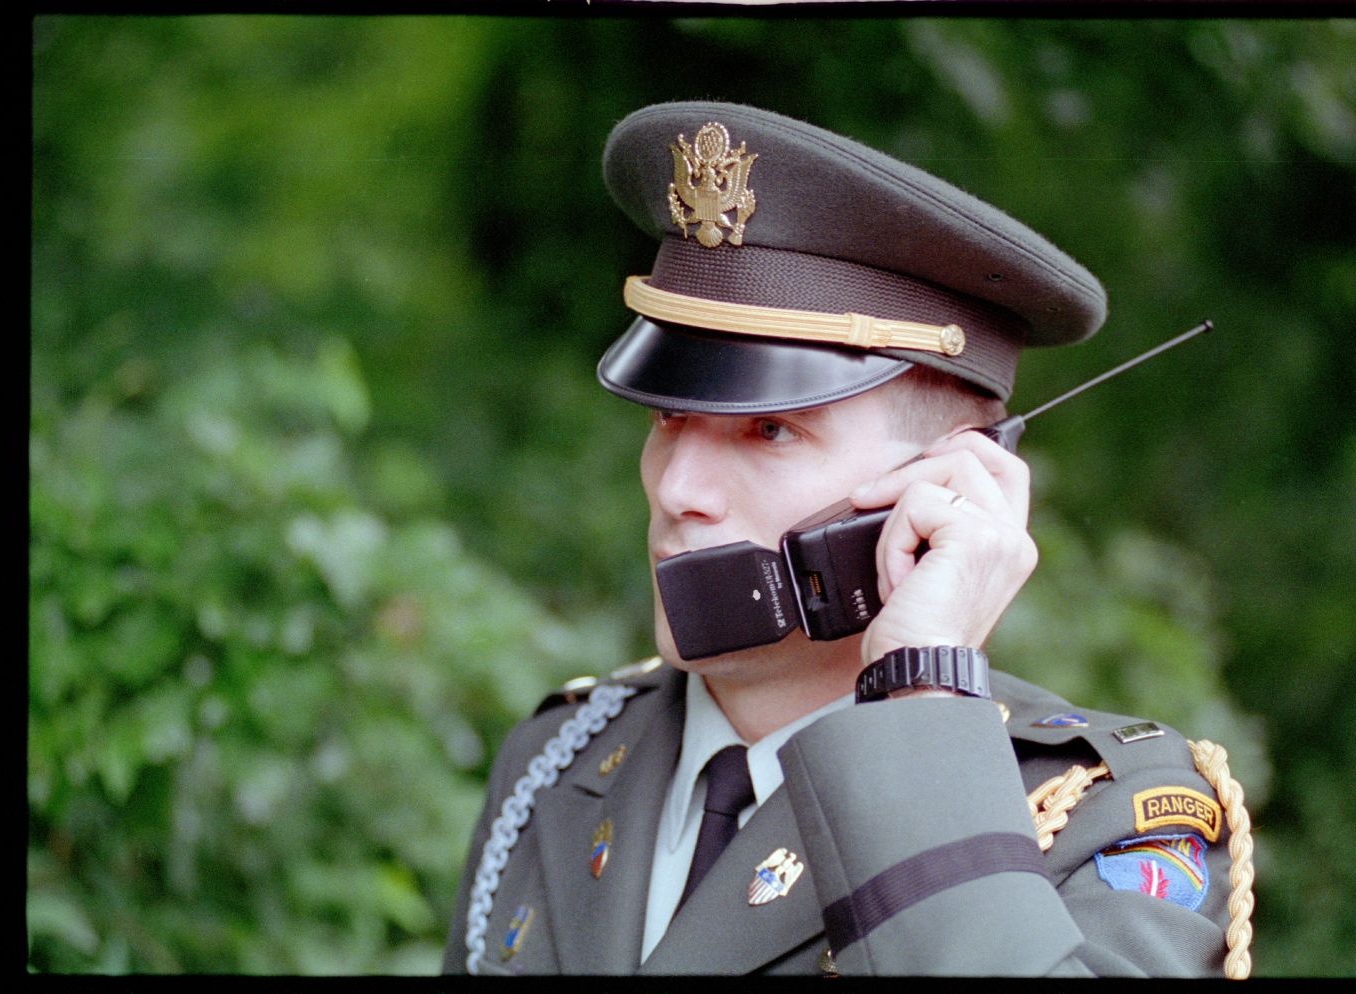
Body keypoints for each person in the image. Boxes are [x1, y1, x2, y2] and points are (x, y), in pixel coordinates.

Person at [442, 102, 1253, 977]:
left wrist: (921, 685)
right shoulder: (560, 762)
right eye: (671, 417)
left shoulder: (1104, 816)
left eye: (771, 432)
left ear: (947, 485)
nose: (678, 489)